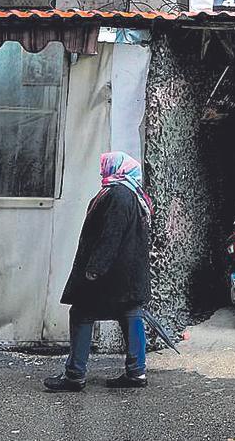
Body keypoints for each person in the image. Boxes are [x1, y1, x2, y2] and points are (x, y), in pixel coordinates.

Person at [44, 151, 153, 392]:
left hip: (110, 274)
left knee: (82, 314)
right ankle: (136, 372)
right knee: (131, 314)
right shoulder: (134, 194)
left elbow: (110, 236)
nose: (101, 171)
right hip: (130, 274)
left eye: (105, 166)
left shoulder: (117, 195)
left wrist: (94, 270)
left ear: (117, 168)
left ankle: (75, 375)